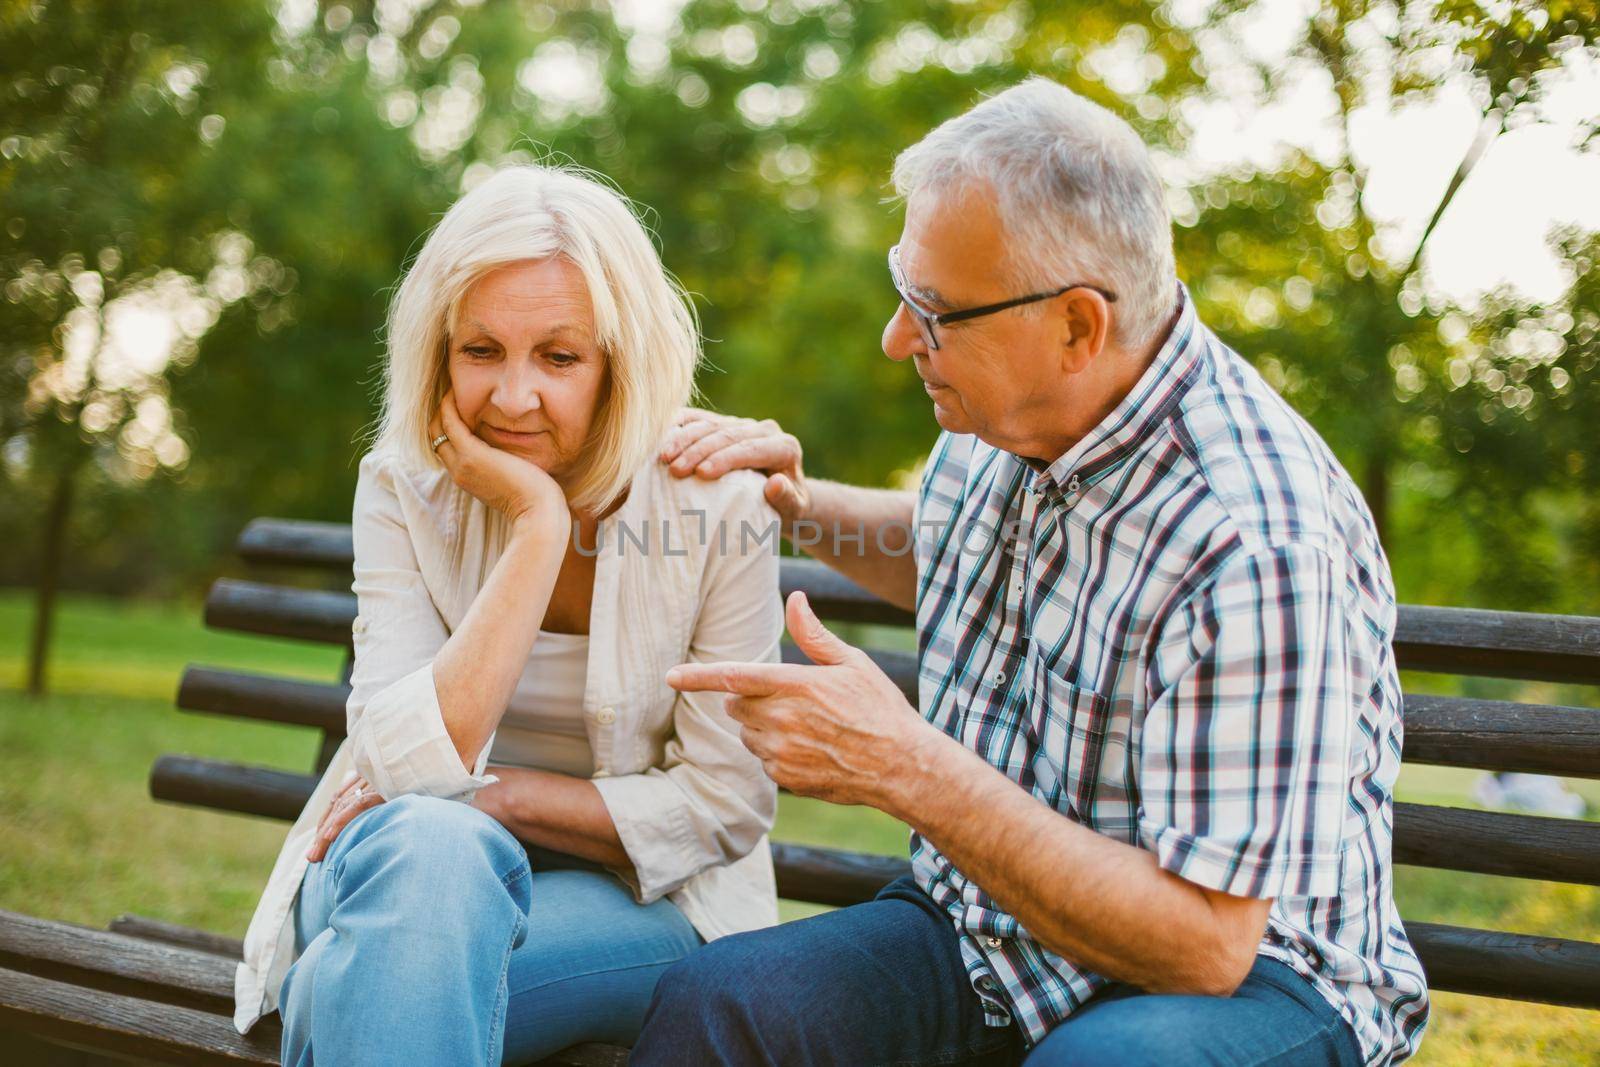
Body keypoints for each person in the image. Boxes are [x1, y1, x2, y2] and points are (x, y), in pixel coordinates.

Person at [638, 77, 1429, 1066]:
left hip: (1253, 979)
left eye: (934, 312)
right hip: (992, 931)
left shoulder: (1252, 538)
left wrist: (905, 765)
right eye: (903, 291)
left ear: (1076, 328)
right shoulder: (998, 413)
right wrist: (798, 502)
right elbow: (953, 557)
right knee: (722, 1004)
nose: (896, 341)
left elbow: (1205, 942)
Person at [230, 165, 784, 1067]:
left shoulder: (713, 504)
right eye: (480, 350)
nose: (513, 397)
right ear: (437, 350)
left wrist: (500, 801)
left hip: (636, 902)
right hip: (395, 870)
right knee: (431, 851)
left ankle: (332, 986)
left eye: (559, 357)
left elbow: (725, 800)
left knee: (354, 980)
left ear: (619, 362)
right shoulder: (403, 485)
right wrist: (538, 526)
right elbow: (396, 757)